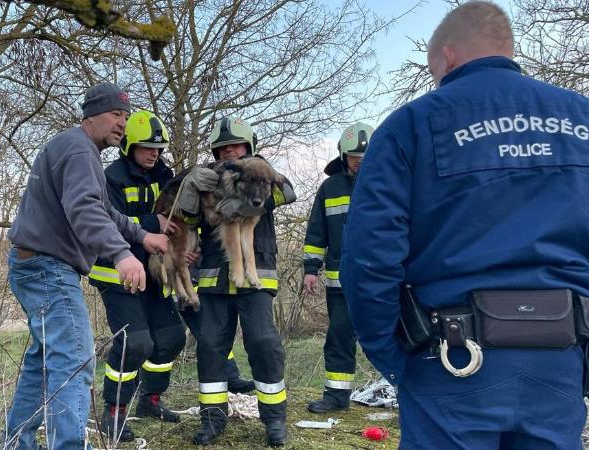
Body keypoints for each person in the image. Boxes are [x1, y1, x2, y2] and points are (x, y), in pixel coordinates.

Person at [340, 2, 589, 449]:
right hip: (562, 353)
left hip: (451, 360)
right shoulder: (582, 118)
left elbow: (369, 257)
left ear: (448, 55)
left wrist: (392, 355)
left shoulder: (411, 125)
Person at [5, 83, 169, 450]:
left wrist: (142, 237)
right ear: (91, 113)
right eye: (116, 114)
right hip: (48, 269)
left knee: (44, 362)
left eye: (126, 117)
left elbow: (106, 211)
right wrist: (122, 254)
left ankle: (18, 443)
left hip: (37, 265)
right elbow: (85, 209)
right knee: (76, 359)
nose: (122, 124)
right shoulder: (79, 149)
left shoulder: (79, 150)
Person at [179, 116, 296, 446]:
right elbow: (188, 219)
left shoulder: (263, 171)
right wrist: (190, 188)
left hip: (257, 275)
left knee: (262, 342)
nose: (229, 151)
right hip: (214, 277)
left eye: (236, 145)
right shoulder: (209, 178)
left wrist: (246, 203)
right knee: (211, 348)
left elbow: (288, 191)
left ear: (249, 147)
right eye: (222, 147)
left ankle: (274, 419)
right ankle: (213, 420)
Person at [87, 109, 186, 442]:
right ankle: (113, 412)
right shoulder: (110, 177)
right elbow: (107, 221)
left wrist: (182, 245)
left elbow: (174, 217)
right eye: (146, 147)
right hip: (116, 273)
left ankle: (150, 400)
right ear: (128, 145)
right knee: (135, 344)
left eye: (158, 149)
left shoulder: (165, 175)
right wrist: (150, 224)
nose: (153, 154)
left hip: (155, 273)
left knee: (172, 338)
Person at [302, 122, 374, 413]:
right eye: (355, 156)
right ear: (343, 156)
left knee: (393, 336)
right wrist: (310, 268)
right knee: (339, 337)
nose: (360, 161)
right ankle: (337, 396)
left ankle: (405, 393)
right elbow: (316, 232)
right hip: (340, 283)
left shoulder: (388, 182)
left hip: (381, 281)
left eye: (365, 156)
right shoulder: (329, 188)